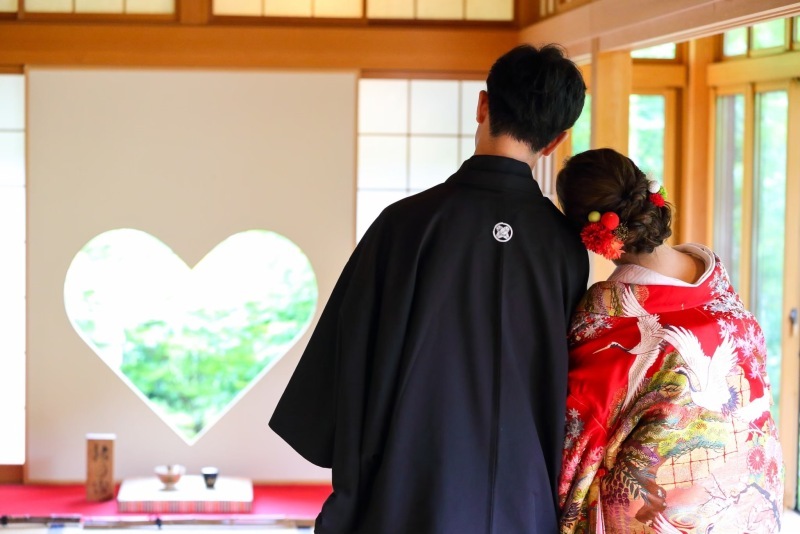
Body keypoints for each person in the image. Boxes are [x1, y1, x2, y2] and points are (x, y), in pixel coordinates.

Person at [269, 44, 589, 534]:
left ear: (483, 106)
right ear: (556, 140)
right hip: (523, 501)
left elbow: (351, 353)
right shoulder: (565, 246)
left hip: (409, 493)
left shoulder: (406, 225)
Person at [555, 148, 784, 533]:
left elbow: (581, 430)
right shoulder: (713, 278)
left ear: (591, 237)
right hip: (748, 497)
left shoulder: (607, 318)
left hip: (662, 516)